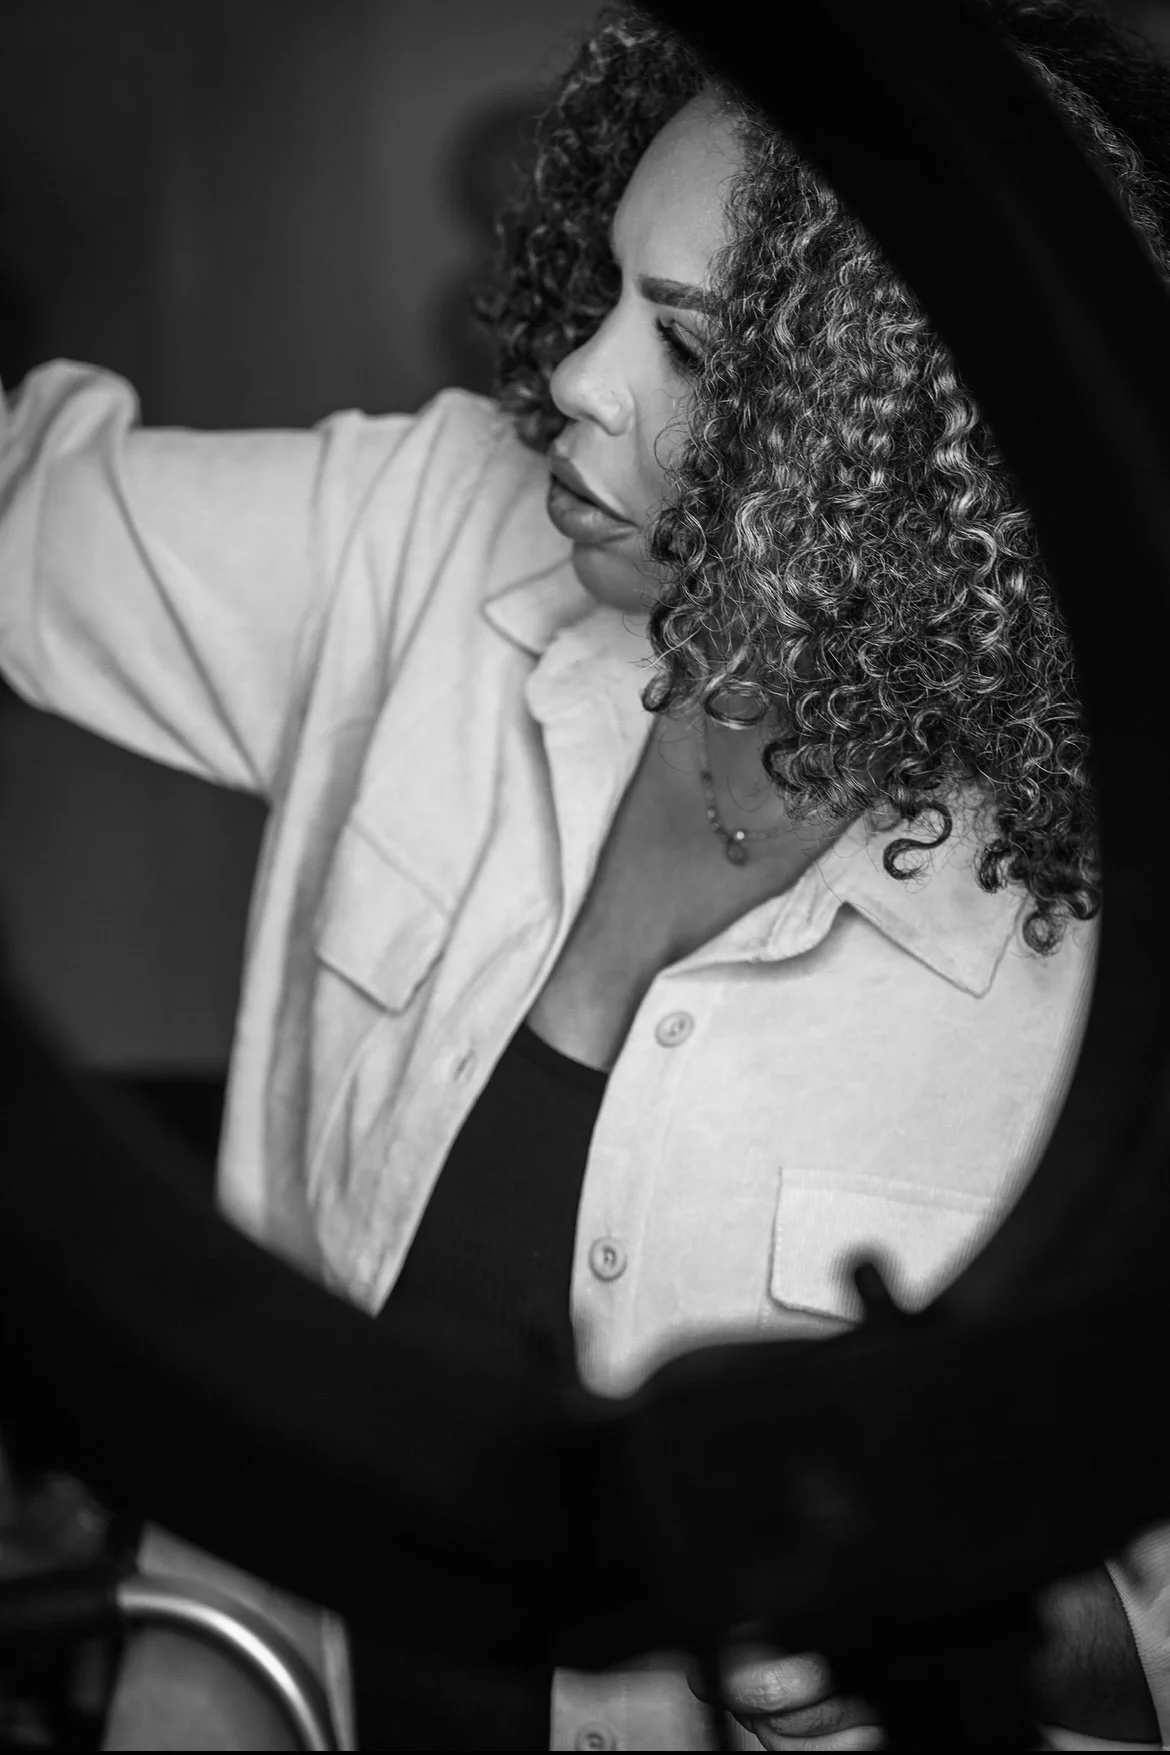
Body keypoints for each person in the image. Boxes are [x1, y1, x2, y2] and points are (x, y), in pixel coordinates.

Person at [1, 0, 1168, 1748]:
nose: (570, 380)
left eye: (691, 352)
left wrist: (901, 1554)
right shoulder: (425, 536)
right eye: (608, 290)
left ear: (909, 462)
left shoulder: (1105, 942)